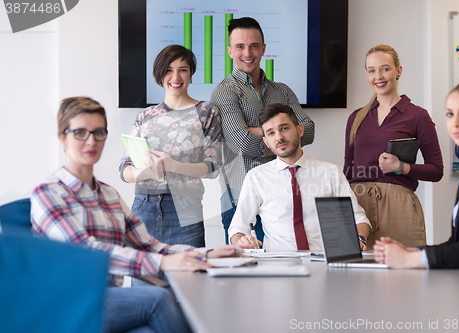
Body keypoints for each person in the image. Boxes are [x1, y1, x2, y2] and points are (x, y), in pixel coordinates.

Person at [31, 97, 245, 333]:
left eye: (98, 132)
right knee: (158, 298)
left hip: (108, 300)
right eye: (80, 132)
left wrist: (207, 253)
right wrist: (164, 263)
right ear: (63, 137)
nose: (91, 140)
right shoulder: (48, 192)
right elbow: (89, 253)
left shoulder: (108, 195)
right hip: (70, 303)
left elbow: (148, 245)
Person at [374, 82, 459, 274]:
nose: (455, 122)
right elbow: (458, 244)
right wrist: (409, 250)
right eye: (450, 114)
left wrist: (411, 259)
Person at [210, 17, 315, 243]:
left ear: (263, 48)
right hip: (238, 199)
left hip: (280, 198)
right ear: (230, 51)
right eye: (240, 46)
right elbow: (243, 144)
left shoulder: (283, 91)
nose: (247, 52)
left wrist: (257, 131)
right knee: (243, 273)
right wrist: (286, 138)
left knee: (284, 269)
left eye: (254, 45)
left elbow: (309, 129)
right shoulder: (224, 92)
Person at [119, 45, 222, 250]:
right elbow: (124, 170)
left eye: (183, 69)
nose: (175, 76)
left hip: (186, 207)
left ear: (191, 73)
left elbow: (213, 167)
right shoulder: (145, 116)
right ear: (160, 74)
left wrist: (173, 165)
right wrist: (144, 172)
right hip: (143, 205)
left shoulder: (206, 112)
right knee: (145, 279)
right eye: (168, 69)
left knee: (187, 278)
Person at [229, 103, 370, 251]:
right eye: (271, 133)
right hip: (278, 264)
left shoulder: (331, 172)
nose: (279, 137)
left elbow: (358, 218)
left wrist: (359, 238)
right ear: (266, 142)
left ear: (300, 130)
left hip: (324, 263)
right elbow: (238, 227)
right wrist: (241, 241)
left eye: (284, 128)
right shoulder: (256, 177)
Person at [344, 44, 443, 249]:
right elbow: (348, 170)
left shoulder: (417, 116)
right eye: (371, 70)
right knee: (358, 276)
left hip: (400, 208)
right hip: (359, 208)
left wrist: (402, 167)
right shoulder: (356, 117)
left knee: (405, 277)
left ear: (398, 71)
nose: (378, 76)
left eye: (385, 68)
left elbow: (437, 170)